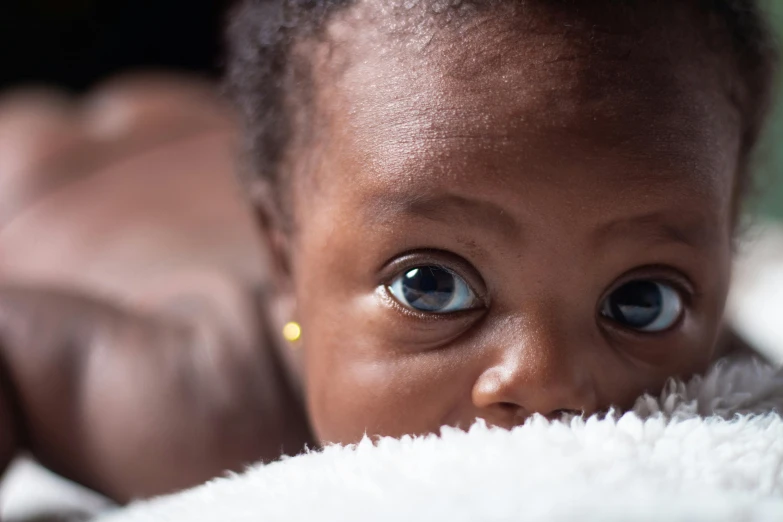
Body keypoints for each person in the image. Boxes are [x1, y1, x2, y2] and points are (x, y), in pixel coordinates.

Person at [0, 0, 777, 505]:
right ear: (281, 265)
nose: (547, 380)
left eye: (639, 300)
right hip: (41, 180)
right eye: (430, 285)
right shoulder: (191, 400)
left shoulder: (720, 367)